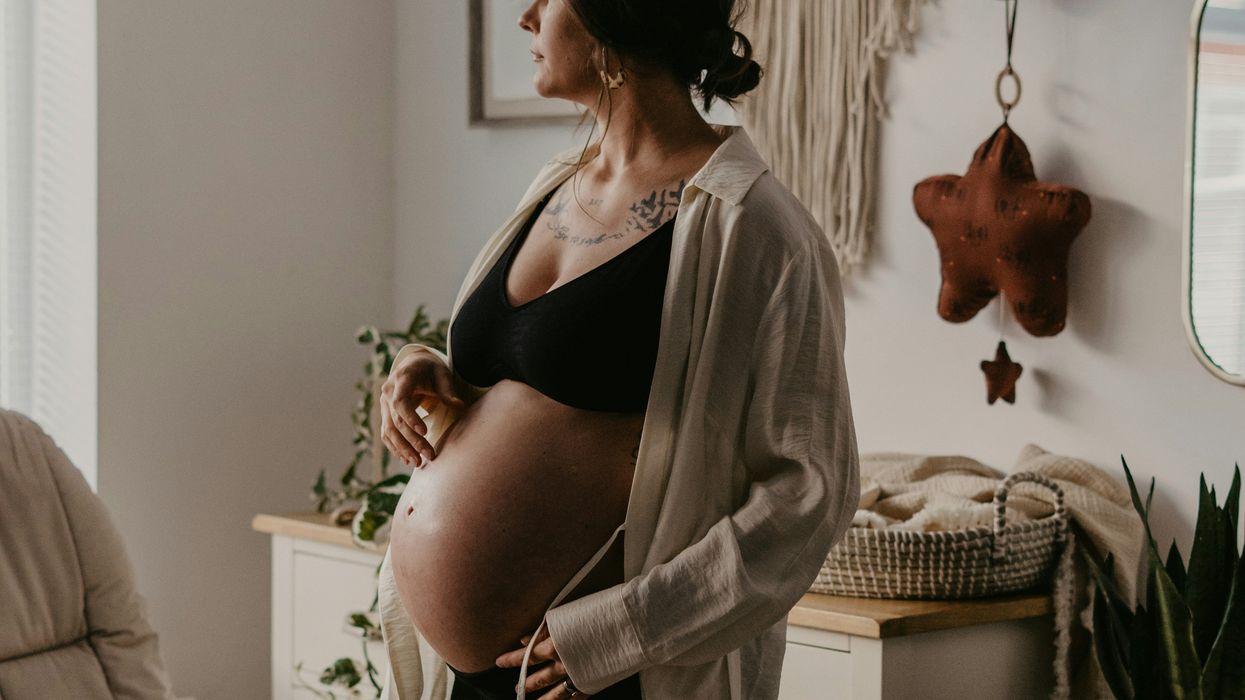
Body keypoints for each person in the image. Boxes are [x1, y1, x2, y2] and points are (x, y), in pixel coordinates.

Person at [376, 0, 860, 698]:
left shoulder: (755, 226)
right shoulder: (556, 184)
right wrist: (430, 369)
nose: (525, 16)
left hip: (602, 677)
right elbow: (535, 384)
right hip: (468, 676)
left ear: (612, 18)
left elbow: (810, 491)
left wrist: (618, 634)